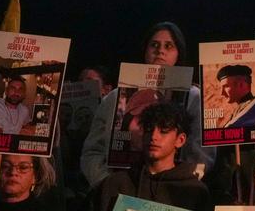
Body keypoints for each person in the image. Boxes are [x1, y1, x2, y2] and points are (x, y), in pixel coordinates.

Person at [80, 21, 214, 187]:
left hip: (173, 195)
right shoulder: (115, 98)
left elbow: (202, 155)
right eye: (154, 45)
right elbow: (92, 151)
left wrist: (180, 186)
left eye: (169, 46)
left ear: (179, 53)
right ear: (145, 51)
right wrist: (107, 184)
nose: (160, 51)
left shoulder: (194, 98)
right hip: (119, 192)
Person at [91, 102, 214, 211]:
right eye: (149, 130)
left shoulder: (194, 191)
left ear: (180, 140)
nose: (154, 137)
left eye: (163, 131)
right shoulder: (114, 184)